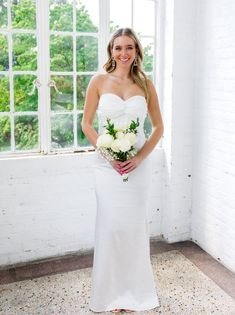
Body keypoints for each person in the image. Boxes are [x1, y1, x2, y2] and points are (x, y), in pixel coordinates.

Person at [82, 27, 164, 313]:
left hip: (137, 167)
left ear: (137, 51)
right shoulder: (98, 81)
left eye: (129, 47)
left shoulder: (145, 85)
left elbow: (158, 128)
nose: (123, 53)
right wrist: (106, 154)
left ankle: (134, 294)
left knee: (132, 228)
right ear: (111, 51)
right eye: (118, 47)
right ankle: (112, 294)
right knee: (112, 226)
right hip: (106, 168)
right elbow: (87, 125)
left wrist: (140, 158)